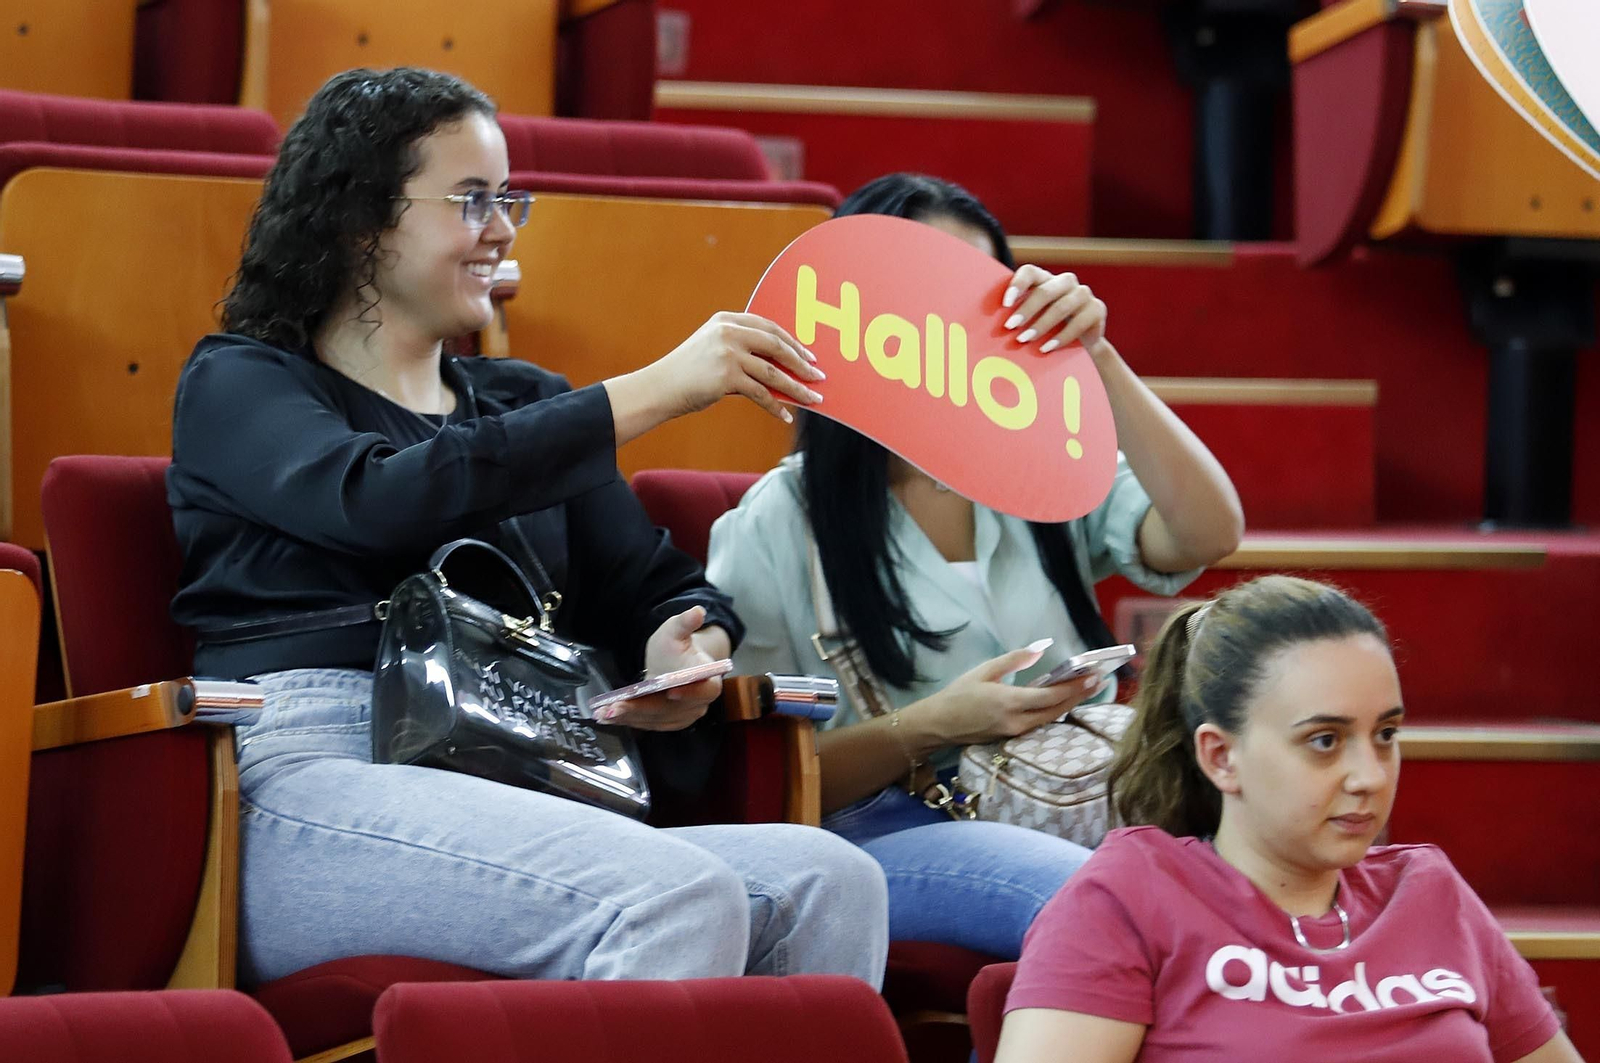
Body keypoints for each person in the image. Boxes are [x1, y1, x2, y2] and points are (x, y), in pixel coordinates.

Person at [167, 66, 888, 988]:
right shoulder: (240, 382)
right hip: (310, 772)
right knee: (670, 895)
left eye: (509, 199)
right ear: (359, 221)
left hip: (520, 763)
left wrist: (682, 645)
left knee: (834, 879)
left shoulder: (520, 404)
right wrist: (651, 390)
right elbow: (379, 499)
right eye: (471, 200)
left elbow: (664, 587)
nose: (504, 229)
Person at [705, 173, 1244, 959]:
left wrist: (1097, 358)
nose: (955, 329)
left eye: (980, 297)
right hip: (886, 826)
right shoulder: (775, 523)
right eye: (930, 298)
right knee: (1106, 903)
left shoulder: (1040, 466)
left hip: (1079, 784)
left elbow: (1207, 530)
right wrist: (930, 726)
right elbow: (751, 783)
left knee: (1273, 849)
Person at [996, 576, 1581, 1063]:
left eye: (1385, 735)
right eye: (1324, 740)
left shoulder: (1430, 892)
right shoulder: (1128, 896)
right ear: (1221, 757)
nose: (1370, 776)